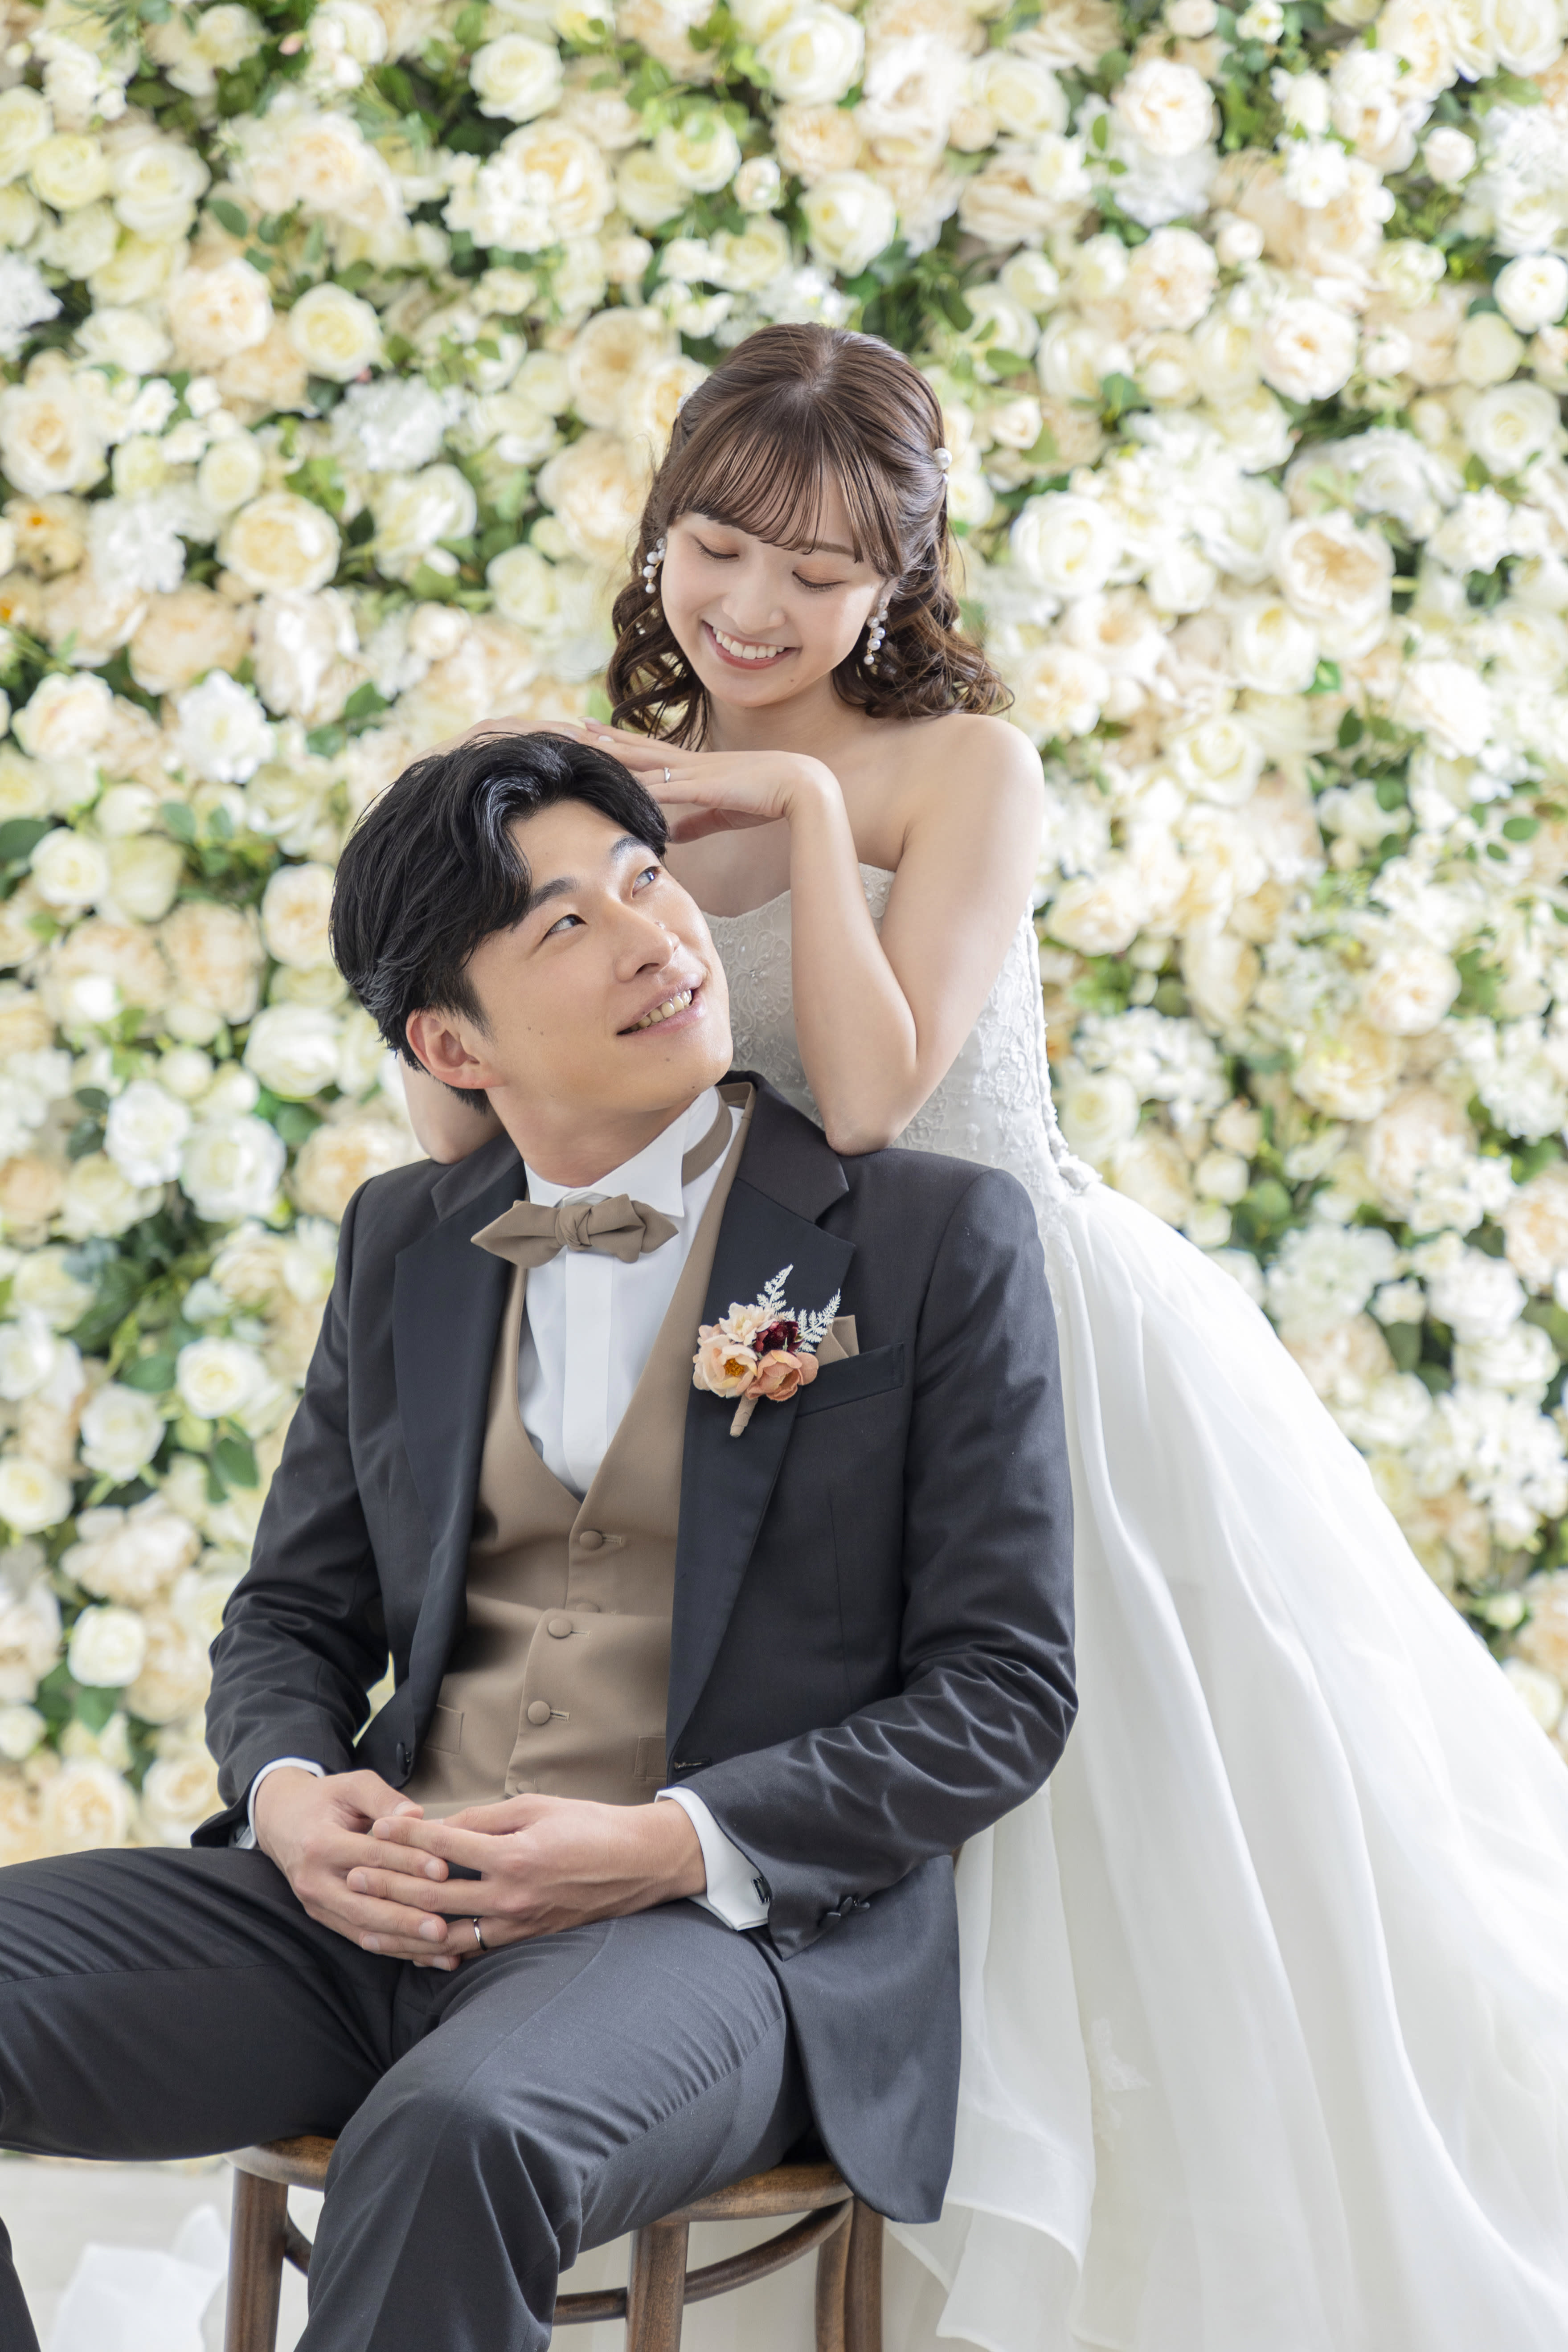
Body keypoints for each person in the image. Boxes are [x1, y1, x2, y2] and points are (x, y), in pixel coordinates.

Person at [416, 323, 1568, 2352]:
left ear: (900, 581)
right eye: (715, 549)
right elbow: (482, 1123)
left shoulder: (963, 770)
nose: (753, 607)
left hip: (1017, 1354)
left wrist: (796, 802)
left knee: (1101, 1882)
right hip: (764, 1372)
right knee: (762, 1819)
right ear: (658, 536)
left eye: (818, 572)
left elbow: (871, 1099)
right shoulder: (595, 792)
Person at [0, 732, 1076, 2352]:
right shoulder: (402, 1241)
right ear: (451, 1040)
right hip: (365, 1912)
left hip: (709, 1938)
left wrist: (673, 1842)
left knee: (459, 2133)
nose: (656, 938)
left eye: (647, 881)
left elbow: (1003, 1691)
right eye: (568, 923)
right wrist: (290, 1799)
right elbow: (290, 1616)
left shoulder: (927, 1241)